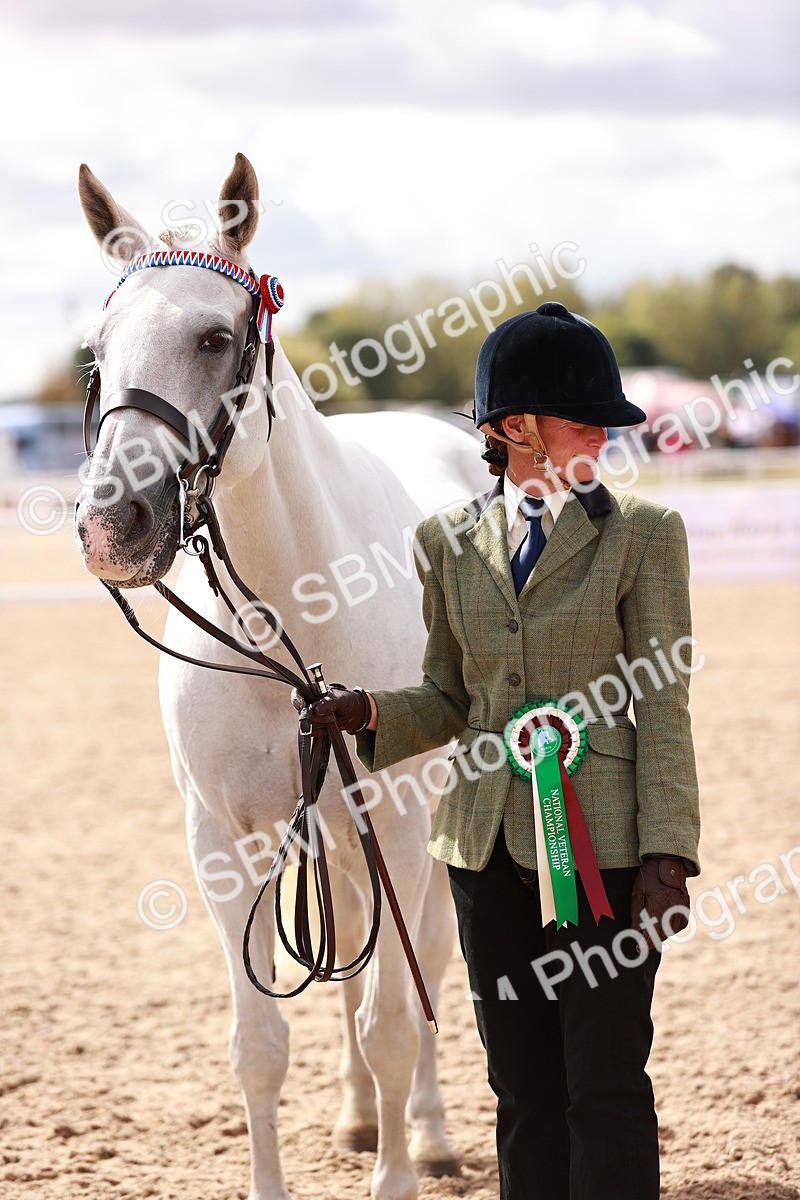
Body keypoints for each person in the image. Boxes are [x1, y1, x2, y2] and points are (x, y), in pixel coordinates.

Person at [295, 301, 701, 1200]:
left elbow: (664, 705)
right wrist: (365, 712)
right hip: (482, 854)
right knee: (520, 1093)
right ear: (516, 427)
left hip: (610, 853)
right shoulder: (445, 543)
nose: (605, 435)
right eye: (584, 420)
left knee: (605, 1088)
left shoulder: (644, 536)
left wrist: (670, 852)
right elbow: (447, 698)